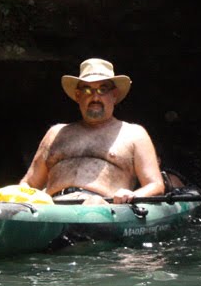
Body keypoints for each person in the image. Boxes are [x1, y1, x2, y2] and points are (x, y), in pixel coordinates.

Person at [19, 58, 166, 205]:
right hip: (52, 209)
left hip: (103, 210)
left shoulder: (134, 134)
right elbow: (29, 184)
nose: (95, 97)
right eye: (87, 90)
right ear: (78, 95)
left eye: (102, 89)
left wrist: (131, 195)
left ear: (114, 95)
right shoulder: (55, 133)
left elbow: (156, 185)